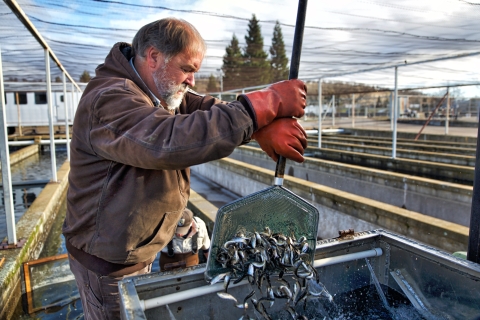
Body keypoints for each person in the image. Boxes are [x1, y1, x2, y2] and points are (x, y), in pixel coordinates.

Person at [62, 17, 307, 319]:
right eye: (187, 68)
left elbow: (202, 108)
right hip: (109, 267)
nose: (192, 80)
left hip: (140, 250)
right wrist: (262, 106)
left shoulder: (157, 94)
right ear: (154, 57)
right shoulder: (109, 98)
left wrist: (257, 128)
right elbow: (167, 141)